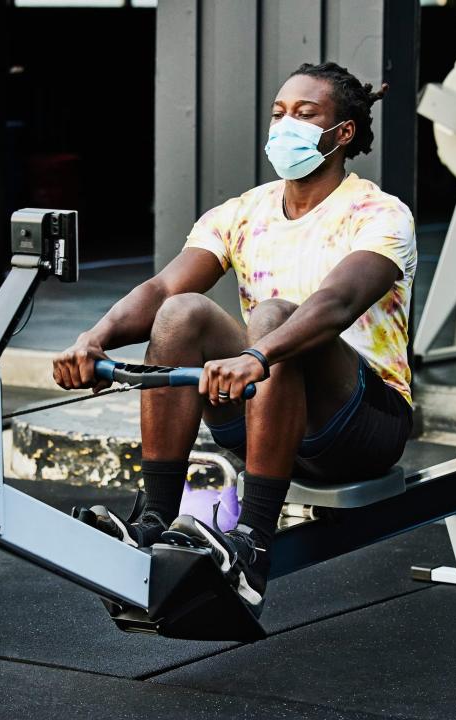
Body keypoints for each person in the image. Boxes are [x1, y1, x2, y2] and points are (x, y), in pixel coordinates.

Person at [53, 62, 416, 616]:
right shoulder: (242, 213)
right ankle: (152, 518)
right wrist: (94, 338)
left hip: (360, 425)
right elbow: (162, 288)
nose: (285, 124)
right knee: (181, 313)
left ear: (342, 133)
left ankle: (253, 543)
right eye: (279, 114)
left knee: (273, 318)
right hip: (262, 413)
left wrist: (257, 354)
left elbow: (337, 303)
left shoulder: (379, 213)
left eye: (304, 113)